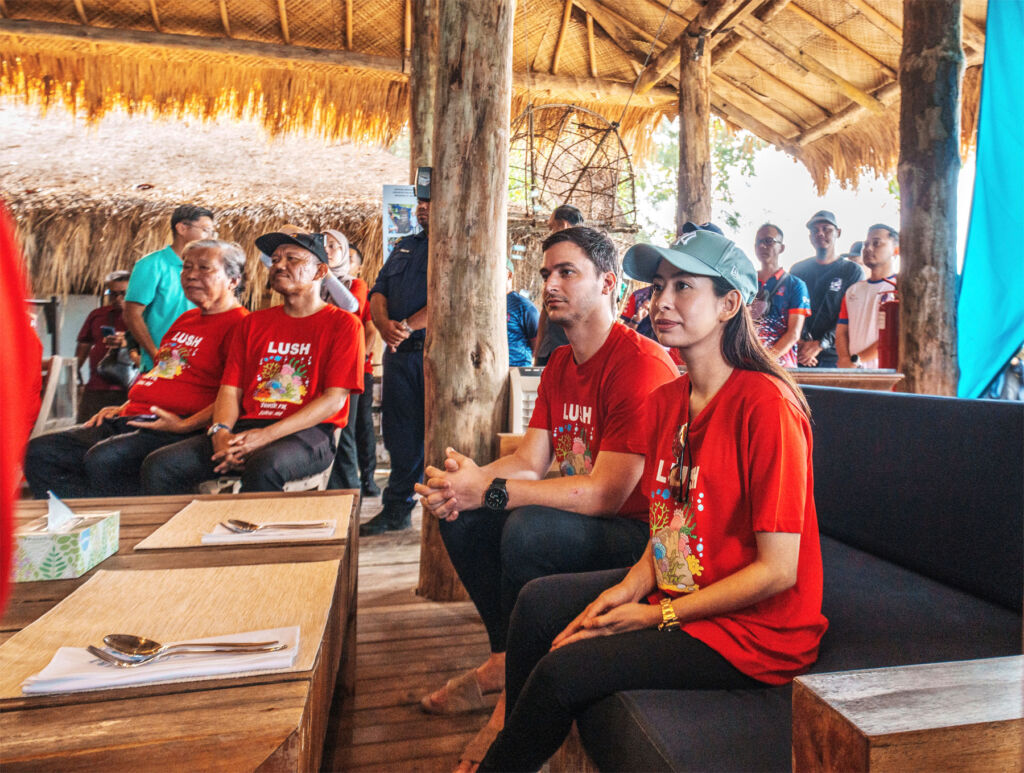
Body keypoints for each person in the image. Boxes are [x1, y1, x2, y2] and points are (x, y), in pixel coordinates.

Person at [477, 229, 828, 773]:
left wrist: (657, 615)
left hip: (754, 632)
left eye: (683, 286)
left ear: (729, 304)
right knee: (538, 605)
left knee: (562, 669)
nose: (661, 301)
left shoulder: (767, 405)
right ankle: (513, 739)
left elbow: (779, 571)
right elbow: (670, 522)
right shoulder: (668, 400)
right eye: (659, 285)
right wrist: (628, 589)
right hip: (684, 585)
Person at [416, 226, 678, 770]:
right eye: (546, 274)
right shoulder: (559, 363)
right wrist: (466, 484)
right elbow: (528, 461)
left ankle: (512, 706)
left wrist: (488, 489)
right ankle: (502, 661)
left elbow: (608, 493)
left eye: (567, 272)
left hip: (637, 535)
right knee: (464, 518)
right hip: (588, 517)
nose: (551, 284)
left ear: (607, 283)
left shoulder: (641, 363)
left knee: (529, 528)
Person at [140, 231, 365, 494]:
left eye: (292, 259)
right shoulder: (253, 323)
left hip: (308, 433)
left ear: (320, 272)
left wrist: (265, 437)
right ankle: (184, 534)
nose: (279, 265)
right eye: (276, 259)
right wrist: (220, 433)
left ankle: (251, 533)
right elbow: (230, 390)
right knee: (161, 464)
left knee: (264, 464)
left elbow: (334, 400)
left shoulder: (344, 325)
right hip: (247, 426)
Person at [24, 241, 248, 498]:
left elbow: (235, 395)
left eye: (204, 268)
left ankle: (117, 528)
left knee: (105, 459)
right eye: (186, 268)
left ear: (233, 280)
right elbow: (164, 372)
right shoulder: (186, 320)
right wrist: (125, 405)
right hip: (132, 416)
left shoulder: (241, 325)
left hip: (172, 426)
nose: (191, 275)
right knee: (41, 451)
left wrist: (184, 425)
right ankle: (81, 525)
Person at [360, 168, 432, 534]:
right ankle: (396, 509)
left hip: (431, 355)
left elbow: (449, 300)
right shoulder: (406, 245)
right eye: (420, 203)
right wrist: (384, 323)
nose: (423, 210)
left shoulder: (456, 247)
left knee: (435, 436)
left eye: (430, 203)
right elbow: (378, 289)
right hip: (398, 353)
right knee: (400, 433)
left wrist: (405, 327)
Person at [125, 205, 216, 371]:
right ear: (182, 228)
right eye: (206, 230)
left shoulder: (209, 269)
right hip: (162, 364)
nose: (210, 237)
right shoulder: (151, 265)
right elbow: (132, 314)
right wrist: (155, 355)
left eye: (212, 232)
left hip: (199, 363)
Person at [323, 228, 373, 490]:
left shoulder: (355, 284)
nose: (327, 251)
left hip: (347, 369)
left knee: (346, 433)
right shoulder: (313, 285)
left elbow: (351, 307)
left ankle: (351, 492)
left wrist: (325, 272)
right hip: (319, 367)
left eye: (334, 246)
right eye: (323, 245)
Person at [790, 210, 864, 368]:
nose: (820, 233)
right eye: (815, 230)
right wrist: (801, 343)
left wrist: (820, 344)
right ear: (810, 237)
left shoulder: (852, 271)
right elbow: (790, 309)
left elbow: (852, 315)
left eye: (826, 229)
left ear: (838, 232)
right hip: (800, 353)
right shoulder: (798, 270)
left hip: (834, 355)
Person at [837, 224, 899, 369]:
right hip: (853, 373)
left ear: (895, 250)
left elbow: (895, 335)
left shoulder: (900, 288)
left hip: (886, 374)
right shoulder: (853, 290)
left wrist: (857, 360)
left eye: (876, 243)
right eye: (866, 244)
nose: (868, 248)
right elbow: (842, 330)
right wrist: (846, 360)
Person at [75, 270, 133, 422]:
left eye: (123, 293)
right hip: (96, 387)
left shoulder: (144, 316)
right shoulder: (98, 315)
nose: (118, 299)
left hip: (129, 389)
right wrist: (75, 373)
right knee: (84, 429)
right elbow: (84, 346)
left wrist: (128, 342)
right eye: (113, 294)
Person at [751, 223, 811, 367]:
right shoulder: (747, 282)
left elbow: (793, 334)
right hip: (748, 364)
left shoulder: (795, 285)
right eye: (758, 242)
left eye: (768, 241)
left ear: (782, 248)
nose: (762, 246)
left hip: (781, 366)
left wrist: (764, 361)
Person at [533, 204, 583, 366]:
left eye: (551, 227)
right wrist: (538, 348)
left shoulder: (589, 262)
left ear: (563, 225)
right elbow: (545, 310)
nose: (550, 233)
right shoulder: (553, 262)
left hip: (573, 352)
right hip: (548, 350)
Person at [349, 244, 381, 496]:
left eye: (350, 259)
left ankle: (368, 478)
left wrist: (356, 363)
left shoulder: (363, 293)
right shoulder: (323, 293)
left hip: (360, 369)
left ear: (358, 267)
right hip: (330, 376)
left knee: (362, 424)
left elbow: (370, 331)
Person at [506, 258, 539, 367]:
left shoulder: (524, 306)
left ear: (509, 275)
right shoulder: (483, 304)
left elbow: (537, 346)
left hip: (516, 371)